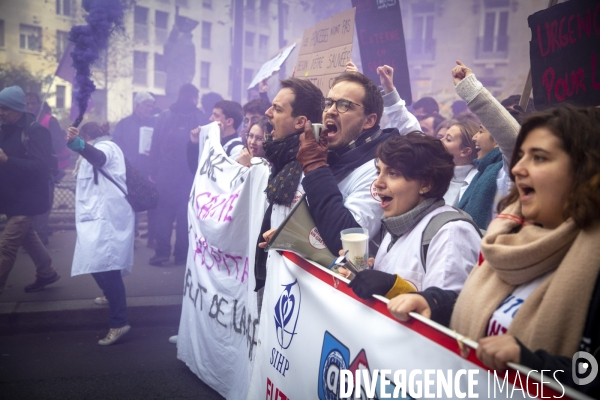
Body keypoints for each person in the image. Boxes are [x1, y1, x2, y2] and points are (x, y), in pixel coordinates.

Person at [387, 106, 600, 397]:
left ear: (586, 170)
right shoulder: (507, 240)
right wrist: (435, 304)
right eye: (521, 156)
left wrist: (536, 366)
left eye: (539, 157)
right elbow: (484, 306)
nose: (517, 169)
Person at [338, 133, 481, 299]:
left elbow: (444, 312)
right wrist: (362, 277)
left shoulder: (451, 233)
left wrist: (392, 287)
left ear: (426, 184)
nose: (378, 183)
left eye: (393, 173)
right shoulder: (398, 222)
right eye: (379, 172)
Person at [294, 71, 419, 254]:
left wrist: (316, 168)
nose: (330, 111)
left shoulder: (380, 168)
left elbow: (346, 243)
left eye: (344, 105)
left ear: (369, 121)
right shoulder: (328, 153)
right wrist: (291, 236)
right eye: (328, 103)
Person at [66, 122, 134, 345]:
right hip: (96, 217)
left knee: (108, 267)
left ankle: (118, 322)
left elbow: (98, 158)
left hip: (107, 218)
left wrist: (78, 144)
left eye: (84, 140)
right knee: (93, 260)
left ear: (87, 137)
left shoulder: (108, 147)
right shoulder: (99, 146)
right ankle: (109, 294)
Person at [0, 86, 60, 295]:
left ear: (18, 109)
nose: (0, 112)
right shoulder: (3, 128)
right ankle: (46, 272)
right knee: (28, 236)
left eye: (5, 108)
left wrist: (8, 160)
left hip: (28, 199)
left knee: (6, 247)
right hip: (10, 197)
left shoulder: (36, 131)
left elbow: (41, 167)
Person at [452, 60, 519, 229]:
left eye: (481, 131)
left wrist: (471, 90)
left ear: (498, 137)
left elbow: (511, 138)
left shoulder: (511, 170)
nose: (475, 137)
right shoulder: (483, 171)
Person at [149, 83, 203, 266]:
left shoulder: (165, 115)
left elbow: (155, 143)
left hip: (166, 173)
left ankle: (161, 253)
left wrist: (153, 171)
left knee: (163, 214)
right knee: (184, 216)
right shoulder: (200, 117)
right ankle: (182, 255)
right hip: (189, 175)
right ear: (194, 97)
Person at [25, 92, 69, 245]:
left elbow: (58, 143)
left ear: (40, 104)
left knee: (43, 202)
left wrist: (41, 146)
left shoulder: (49, 121)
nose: (30, 106)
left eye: (33, 103)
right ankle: (31, 236)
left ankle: (40, 236)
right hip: (26, 169)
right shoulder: (23, 121)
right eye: (27, 103)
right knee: (29, 203)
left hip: (45, 169)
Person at [112, 91, 156, 243]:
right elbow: (116, 146)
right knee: (132, 203)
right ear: (137, 105)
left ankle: (153, 237)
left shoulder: (155, 123)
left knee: (152, 202)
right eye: (147, 105)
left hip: (150, 169)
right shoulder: (124, 124)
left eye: (151, 106)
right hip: (130, 169)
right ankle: (132, 235)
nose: (150, 109)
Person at [437, 115, 479, 206]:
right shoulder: (435, 171)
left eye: (448, 139)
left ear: (465, 151)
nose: (440, 141)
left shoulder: (477, 182)